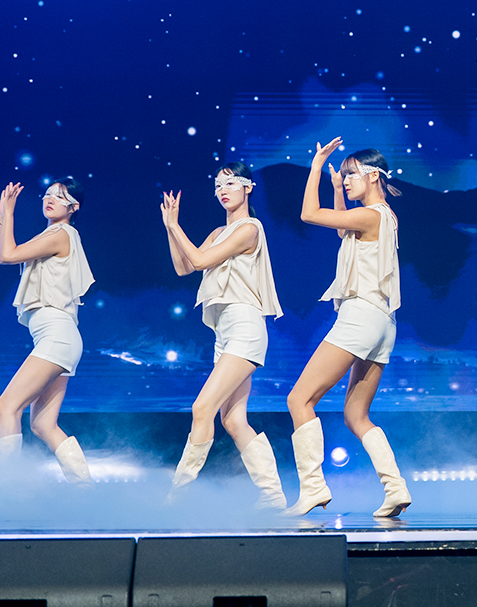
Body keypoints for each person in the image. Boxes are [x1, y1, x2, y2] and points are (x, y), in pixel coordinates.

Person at [284, 139, 411, 518]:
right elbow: (343, 231)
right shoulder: (382, 216)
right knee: (356, 415)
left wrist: (315, 166)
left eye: (351, 173)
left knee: (299, 400)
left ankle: (313, 488)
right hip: (383, 322)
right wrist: (337, 188)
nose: (346, 179)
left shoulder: (370, 215)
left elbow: (309, 213)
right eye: (343, 175)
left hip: (360, 317)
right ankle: (396, 487)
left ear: (373, 176)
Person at [161, 162, 285, 507]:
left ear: (248, 187)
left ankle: (177, 498)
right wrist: (170, 228)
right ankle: (273, 495)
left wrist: (176, 226)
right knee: (232, 419)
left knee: (202, 408)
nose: (222, 190)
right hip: (225, 332)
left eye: (230, 183)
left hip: (245, 326)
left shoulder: (250, 229)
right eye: (217, 185)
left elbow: (201, 261)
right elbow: (184, 266)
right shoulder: (219, 232)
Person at [0, 178, 95, 485]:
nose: (49, 199)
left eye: (59, 197)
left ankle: (1, 489)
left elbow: (9, 254)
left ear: (73, 207)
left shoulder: (62, 234)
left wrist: (9, 212)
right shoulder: (49, 235)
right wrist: (3, 214)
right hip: (60, 337)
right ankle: (85, 489)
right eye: (47, 194)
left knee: (7, 406)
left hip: (57, 336)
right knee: (43, 424)